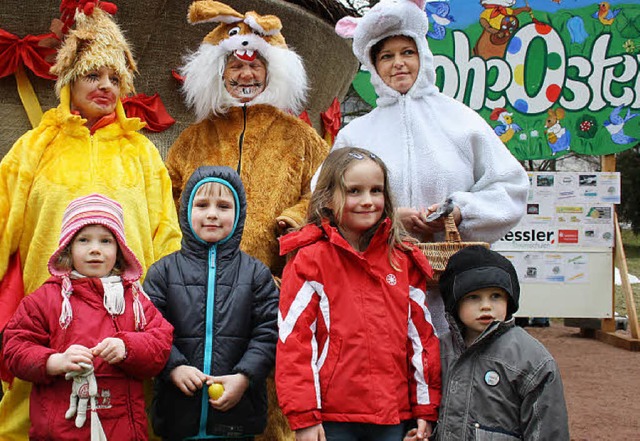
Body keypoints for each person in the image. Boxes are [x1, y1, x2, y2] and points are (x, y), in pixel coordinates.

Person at [0, 5, 181, 438]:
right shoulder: (34, 146)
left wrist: (162, 303)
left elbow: (166, 231)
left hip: (127, 317)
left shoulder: (143, 153)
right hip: (47, 315)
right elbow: (4, 219)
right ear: (69, 78)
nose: (105, 86)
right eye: (93, 75)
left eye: (114, 78)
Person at [330, 0, 529, 335]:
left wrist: (463, 211)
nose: (398, 64)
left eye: (407, 52)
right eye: (386, 56)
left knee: (452, 377)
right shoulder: (355, 134)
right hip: (377, 288)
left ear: (422, 53)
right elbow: (327, 201)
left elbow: (510, 188)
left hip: (453, 295)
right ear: (373, 66)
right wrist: (388, 217)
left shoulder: (462, 121)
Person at [276, 147, 441, 441]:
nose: (367, 201)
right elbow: (295, 342)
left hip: (393, 415)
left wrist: (425, 408)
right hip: (330, 418)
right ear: (328, 199)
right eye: (354, 191)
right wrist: (303, 417)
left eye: (376, 191)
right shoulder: (309, 259)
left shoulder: (402, 259)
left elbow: (421, 340)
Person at [166, 0, 329, 276]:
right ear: (220, 73)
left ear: (271, 72)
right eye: (235, 66)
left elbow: (327, 188)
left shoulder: (301, 137)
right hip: (199, 279)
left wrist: (296, 217)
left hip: (273, 280)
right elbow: (166, 197)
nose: (245, 75)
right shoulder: (193, 138)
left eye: (256, 66)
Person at [2, 194, 174, 440]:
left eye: (106, 241)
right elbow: (14, 347)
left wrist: (127, 347)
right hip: (60, 430)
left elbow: (161, 342)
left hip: (122, 430)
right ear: (68, 248)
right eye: (84, 240)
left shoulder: (134, 299)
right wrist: (55, 362)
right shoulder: (47, 299)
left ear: (119, 250)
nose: (95, 249)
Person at [144, 166, 279, 440]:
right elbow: (147, 327)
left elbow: (268, 334)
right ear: (185, 212)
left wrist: (244, 377)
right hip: (177, 416)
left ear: (239, 214)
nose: (212, 214)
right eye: (202, 204)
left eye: (224, 206)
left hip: (238, 417)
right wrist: (174, 367)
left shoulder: (256, 275)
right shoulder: (162, 273)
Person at [431, 245, 569, 440]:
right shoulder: (438, 350)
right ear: (455, 303)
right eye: (473, 297)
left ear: (509, 299)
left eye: (496, 296)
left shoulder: (531, 358)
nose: (486, 306)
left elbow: (547, 428)